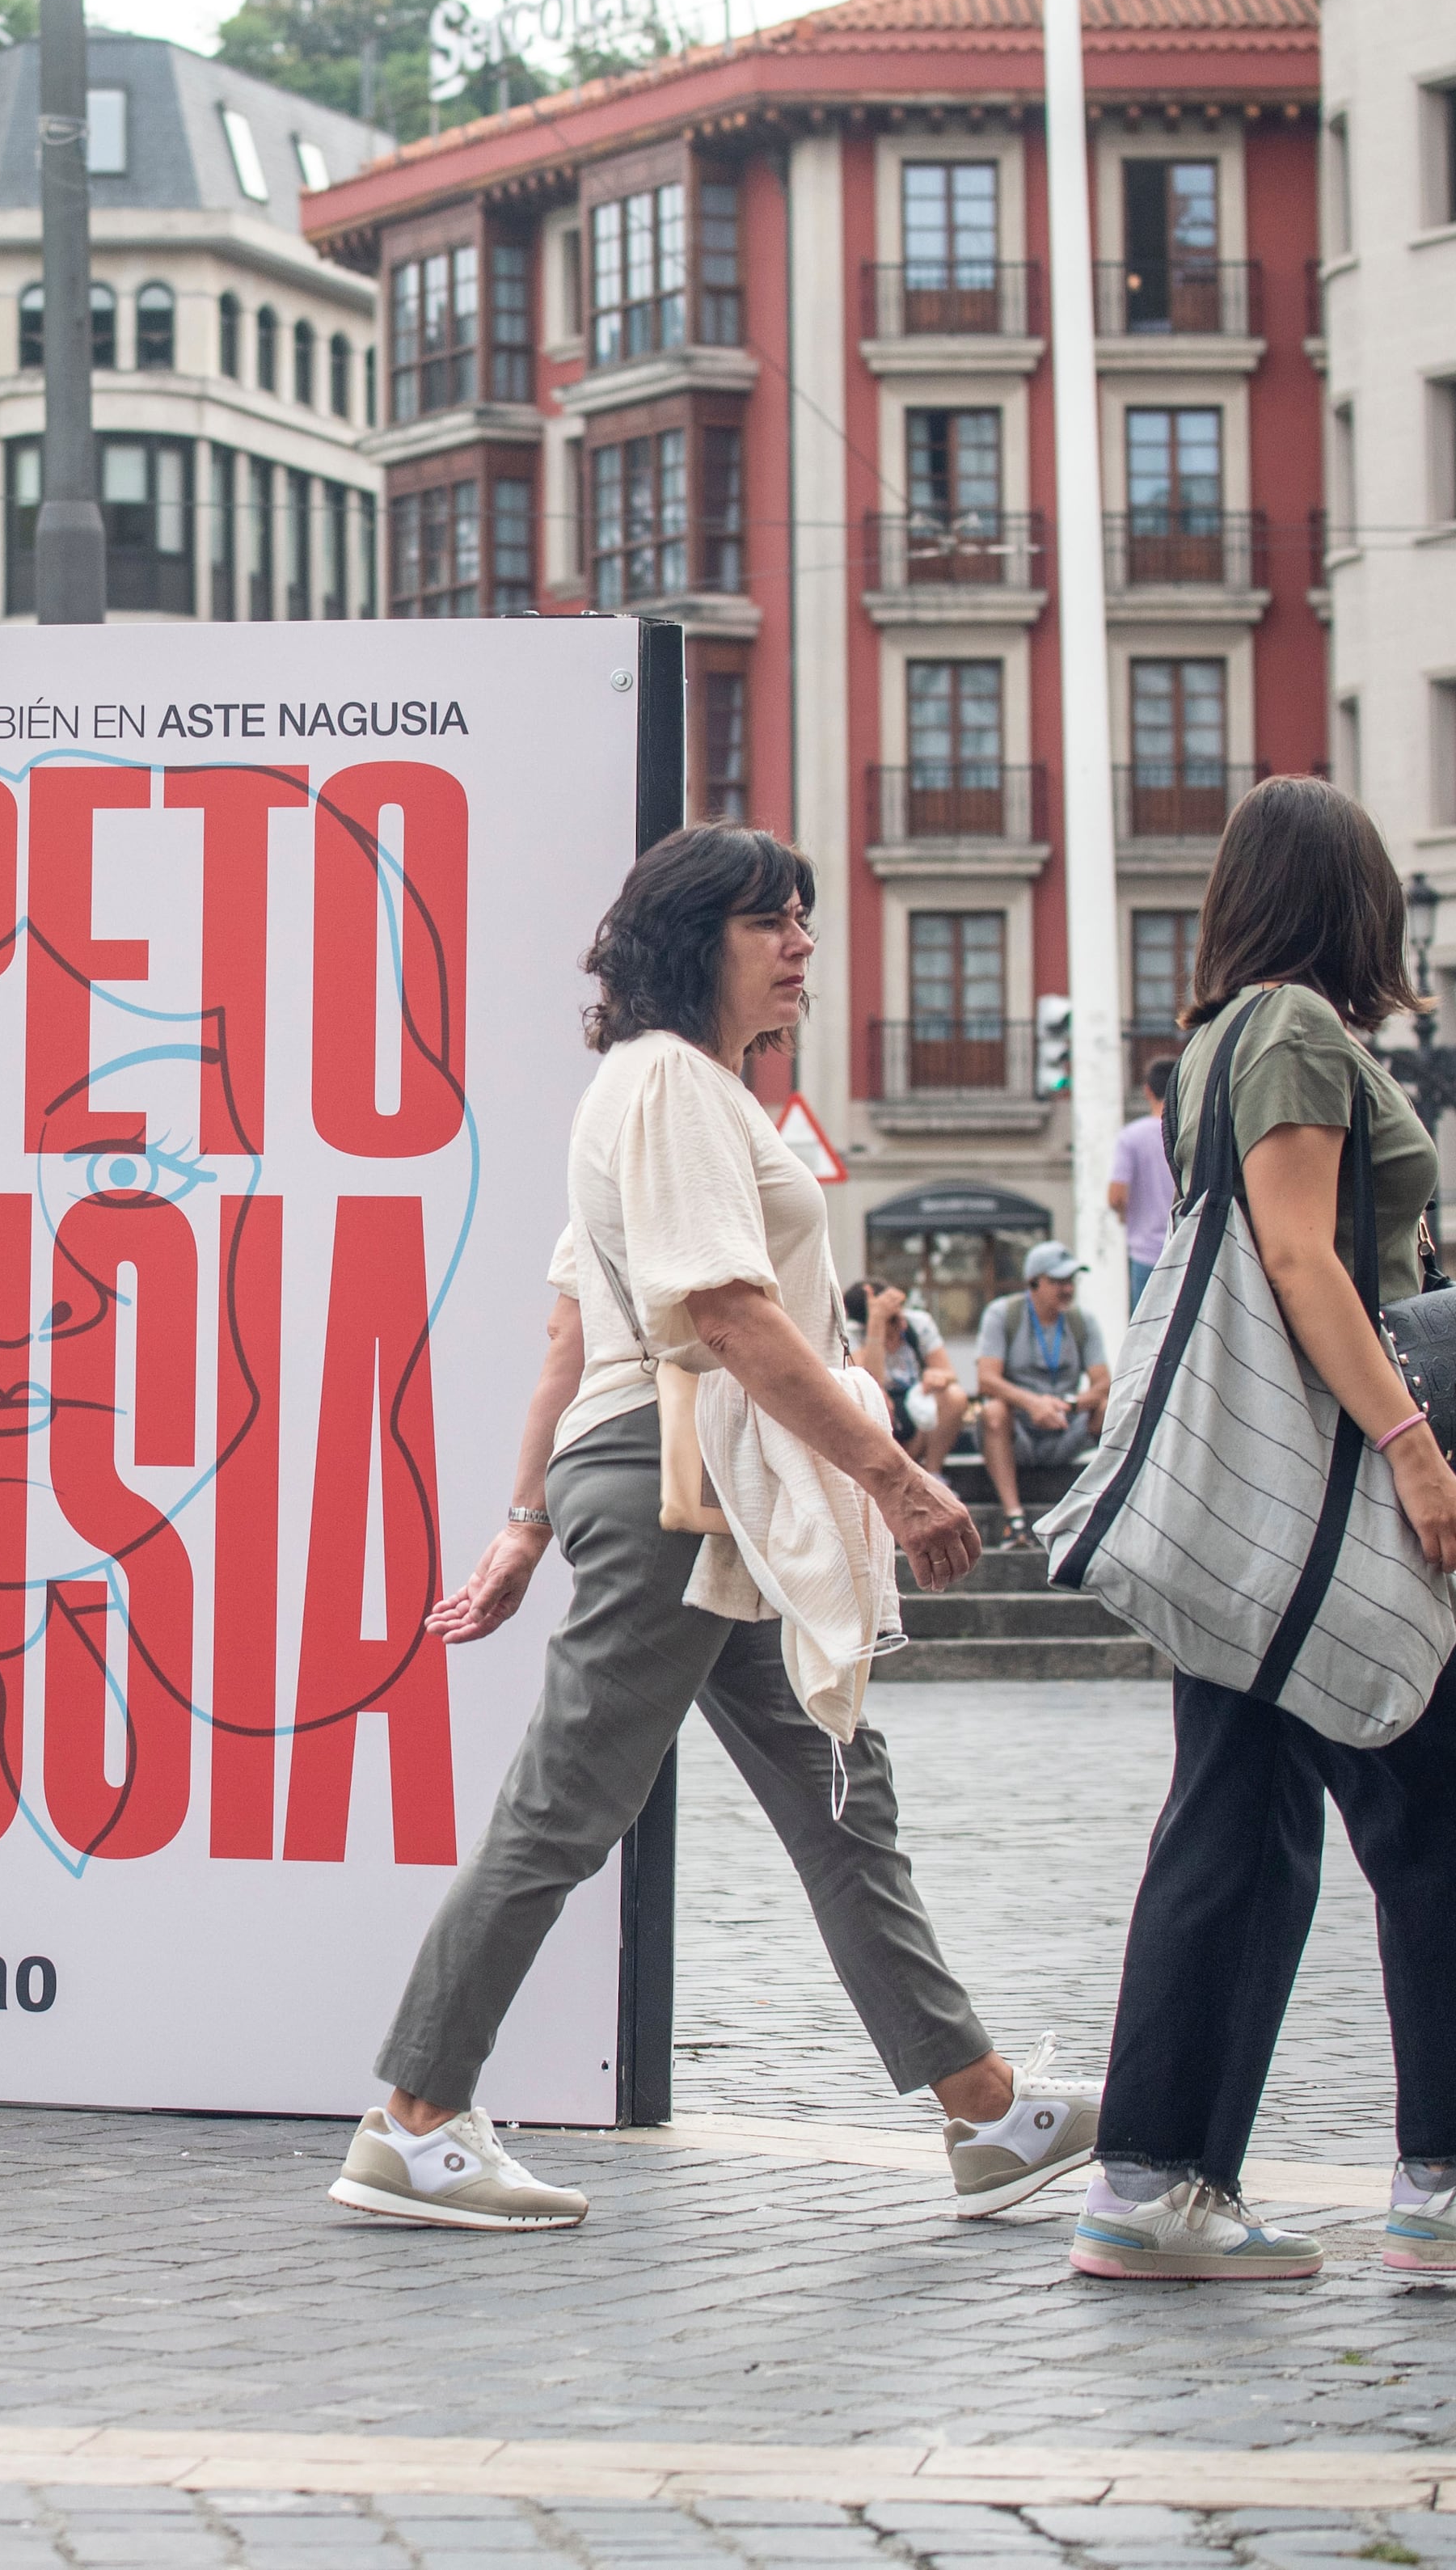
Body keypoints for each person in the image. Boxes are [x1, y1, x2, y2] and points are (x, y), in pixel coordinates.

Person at [340, 824, 1099, 2235]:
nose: (803, 942)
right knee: (569, 1800)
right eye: (772, 920)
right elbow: (730, 1316)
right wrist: (902, 1477)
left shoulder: (668, 1092)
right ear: (698, 942)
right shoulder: (673, 1085)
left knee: (837, 1789)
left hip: (701, 1484)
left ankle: (986, 2108)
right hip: (686, 1483)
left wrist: (521, 1521)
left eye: (804, 915)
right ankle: (412, 2119)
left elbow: (574, 1325)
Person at [1075, 774, 1456, 2285]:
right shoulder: (1303, 1032)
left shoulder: (1211, 1047)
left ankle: (1154, 2178)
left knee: (1238, 1832)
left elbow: (1301, 1286)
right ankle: (1452, 2168)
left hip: (1268, 1507)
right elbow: (1308, 1264)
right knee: (1453, 1812)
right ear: (1352, 897)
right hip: (1326, 1513)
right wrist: (1417, 1455)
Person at [973, 1243, 1109, 1552]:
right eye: (1058, 1282)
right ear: (1034, 1283)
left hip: (1065, 1422)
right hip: (1019, 1427)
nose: (1067, 1289)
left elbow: (1104, 1384)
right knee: (992, 1412)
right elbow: (986, 1379)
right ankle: (1014, 1519)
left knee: (1111, 1408)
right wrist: (1032, 1404)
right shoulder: (1003, 1314)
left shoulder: (1081, 1321)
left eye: (1071, 1281)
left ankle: (1102, 1509)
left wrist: (1070, 1404)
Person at [846, 1276, 968, 1476]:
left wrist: (937, 1378)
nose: (902, 1324)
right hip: (882, 1416)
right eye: (893, 1320)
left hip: (916, 1409)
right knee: (875, 1401)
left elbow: (949, 1374)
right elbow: (870, 1383)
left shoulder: (918, 1323)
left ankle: (933, 1472)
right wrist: (877, 1327)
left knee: (954, 1396)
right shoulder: (853, 1334)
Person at [1109, 1056, 1180, 1310]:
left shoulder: (1132, 1137)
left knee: (1147, 1337)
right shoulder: (1188, 1132)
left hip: (1146, 1255)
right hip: (1186, 1249)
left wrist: (1124, 1214)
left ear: (1148, 1091)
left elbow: (1116, 1196)